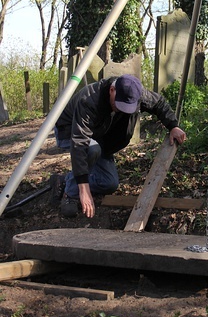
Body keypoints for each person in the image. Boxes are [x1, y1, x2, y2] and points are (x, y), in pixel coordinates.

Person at [50, 74, 186, 218]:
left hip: (99, 135)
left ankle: (64, 180)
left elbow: (159, 103)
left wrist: (173, 126)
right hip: (70, 131)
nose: (121, 110)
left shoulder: (136, 93)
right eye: (119, 105)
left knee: (109, 183)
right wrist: (83, 189)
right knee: (92, 149)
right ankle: (70, 193)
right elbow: (80, 143)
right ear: (112, 90)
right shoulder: (90, 99)